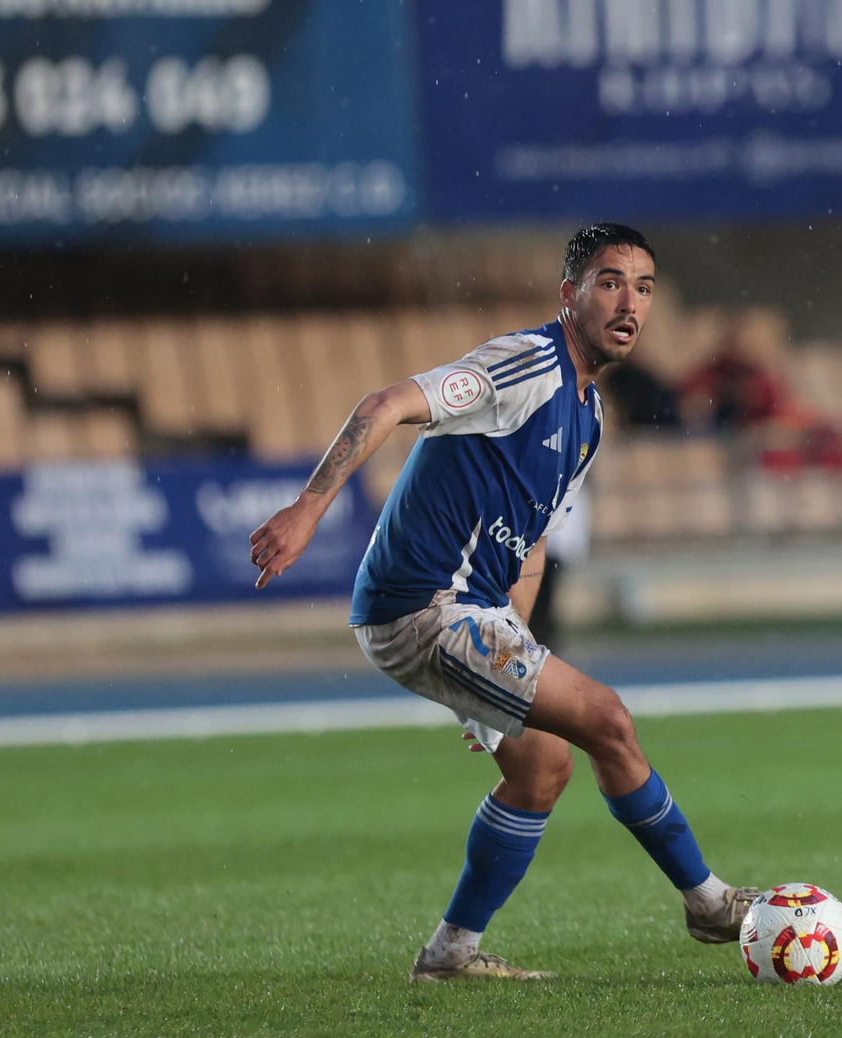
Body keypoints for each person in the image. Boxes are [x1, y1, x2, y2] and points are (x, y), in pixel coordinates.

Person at [248, 223, 757, 982]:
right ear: (569, 295)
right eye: (610, 282)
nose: (630, 303)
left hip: (468, 616)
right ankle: (708, 903)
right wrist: (307, 510)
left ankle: (449, 954)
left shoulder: (588, 418)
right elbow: (387, 401)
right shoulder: (525, 365)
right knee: (609, 721)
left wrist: (508, 668)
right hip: (422, 605)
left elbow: (534, 543)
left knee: (543, 765)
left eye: (644, 288)